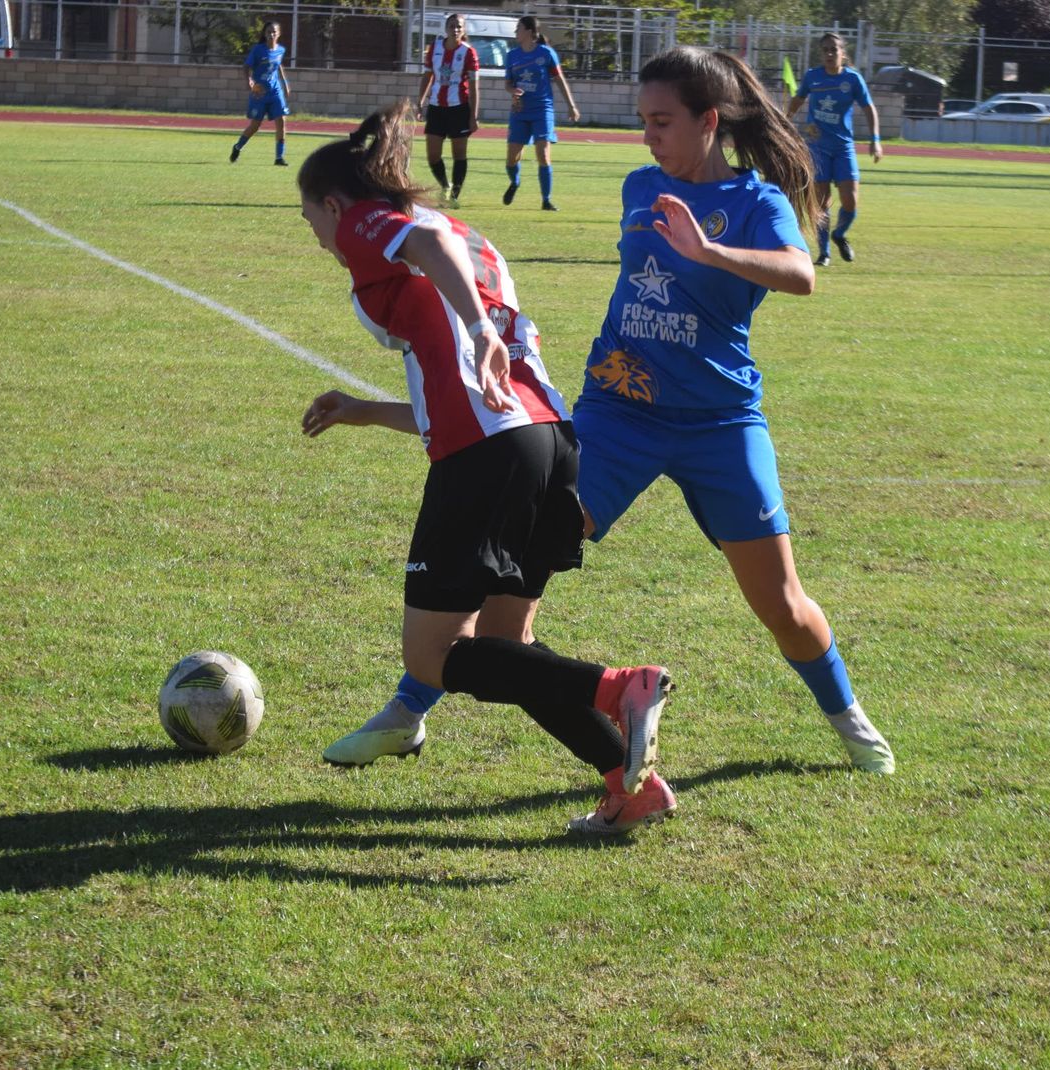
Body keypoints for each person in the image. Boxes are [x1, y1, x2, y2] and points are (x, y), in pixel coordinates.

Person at [323, 47, 896, 786]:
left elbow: (801, 275)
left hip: (722, 426)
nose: (648, 135)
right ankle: (406, 713)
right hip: (616, 417)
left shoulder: (758, 202)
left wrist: (710, 249)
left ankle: (850, 721)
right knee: (509, 573)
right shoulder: (639, 186)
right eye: (643, 120)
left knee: (782, 605)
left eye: (662, 121)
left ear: (709, 122)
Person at [298, 101, 677, 835]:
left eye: (309, 215)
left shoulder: (370, 223)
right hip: (546, 442)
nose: (315, 233)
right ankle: (629, 786)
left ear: (335, 203)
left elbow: (426, 253)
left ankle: (618, 687)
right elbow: (472, 392)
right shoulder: (472, 241)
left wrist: (476, 330)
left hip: (490, 454)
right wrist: (363, 408)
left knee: (437, 657)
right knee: (508, 647)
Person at [784, 33, 880, 265]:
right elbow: (798, 100)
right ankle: (824, 253)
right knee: (821, 202)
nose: (829, 54)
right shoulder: (812, 77)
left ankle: (839, 234)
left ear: (842, 53)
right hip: (817, 147)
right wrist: (784, 122)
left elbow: (869, 108)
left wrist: (875, 139)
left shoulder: (853, 79)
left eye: (833, 50)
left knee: (850, 201)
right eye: (825, 50)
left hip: (843, 147)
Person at [502, 15, 579, 211]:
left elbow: (560, 80)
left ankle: (546, 200)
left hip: (542, 110)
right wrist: (513, 91)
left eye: (518, 28)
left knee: (543, 154)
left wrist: (571, 105)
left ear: (529, 31)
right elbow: (508, 83)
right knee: (512, 158)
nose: (515, 32)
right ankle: (515, 181)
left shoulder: (546, 53)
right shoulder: (512, 55)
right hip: (520, 111)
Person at [416, 12, 480, 206]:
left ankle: (454, 197)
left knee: (458, 154)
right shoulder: (434, 48)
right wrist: (420, 102)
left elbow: (475, 86)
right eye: (452, 26)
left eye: (459, 26)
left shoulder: (468, 52)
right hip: (436, 108)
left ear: (464, 30)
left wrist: (473, 116)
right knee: (433, 154)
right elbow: (427, 77)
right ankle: (445, 185)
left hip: (459, 109)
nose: (455, 29)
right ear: (445, 29)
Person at [230, 22, 292, 167]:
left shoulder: (281, 50)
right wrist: (249, 81)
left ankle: (279, 158)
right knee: (255, 126)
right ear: (264, 34)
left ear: (279, 33)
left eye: (274, 32)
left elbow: (278, 65)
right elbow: (246, 67)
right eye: (269, 32)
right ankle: (237, 147)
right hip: (260, 93)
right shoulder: (258, 50)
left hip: (275, 91)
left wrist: (285, 83)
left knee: (281, 122)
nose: (271, 35)